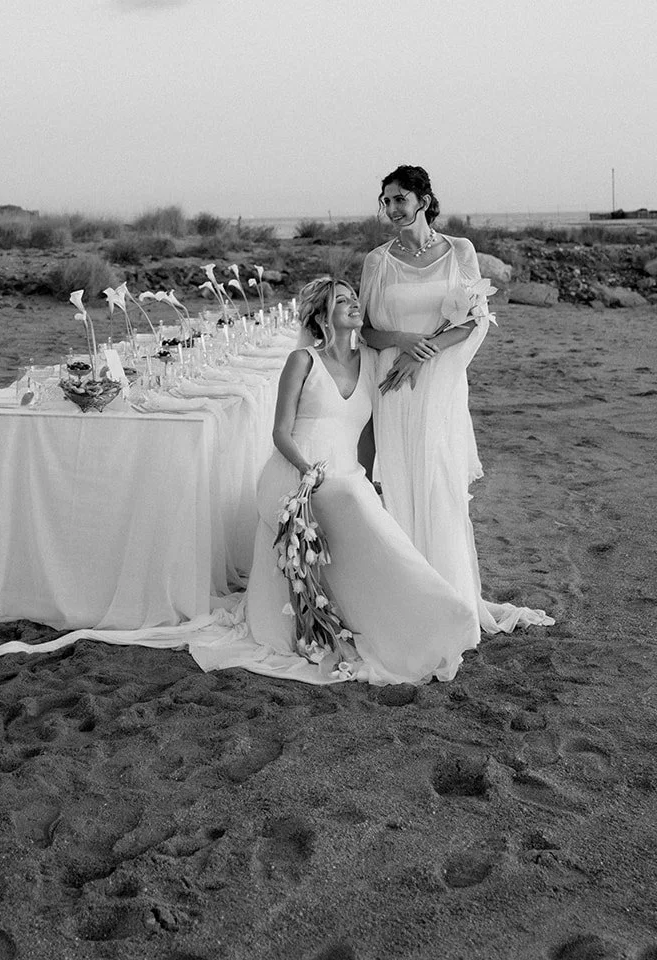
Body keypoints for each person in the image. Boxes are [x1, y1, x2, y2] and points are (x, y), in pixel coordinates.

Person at [190, 275, 481, 684]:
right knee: (352, 501)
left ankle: (430, 616)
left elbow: (366, 435)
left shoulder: (371, 362)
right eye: (342, 300)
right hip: (294, 475)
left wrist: (369, 481)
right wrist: (308, 470)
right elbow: (280, 433)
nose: (353, 304)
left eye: (353, 298)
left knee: (366, 507)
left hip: (346, 476)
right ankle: (432, 609)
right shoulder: (303, 360)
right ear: (322, 316)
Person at [359, 163, 553, 639]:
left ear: (423, 199)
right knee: (403, 481)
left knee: (440, 482)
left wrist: (424, 354)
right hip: (395, 386)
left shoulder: (460, 250)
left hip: (440, 383)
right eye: (385, 201)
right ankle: (409, 595)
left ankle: (451, 595)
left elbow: (474, 319)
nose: (391, 209)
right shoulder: (377, 261)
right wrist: (402, 341)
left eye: (400, 198)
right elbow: (364, 328)